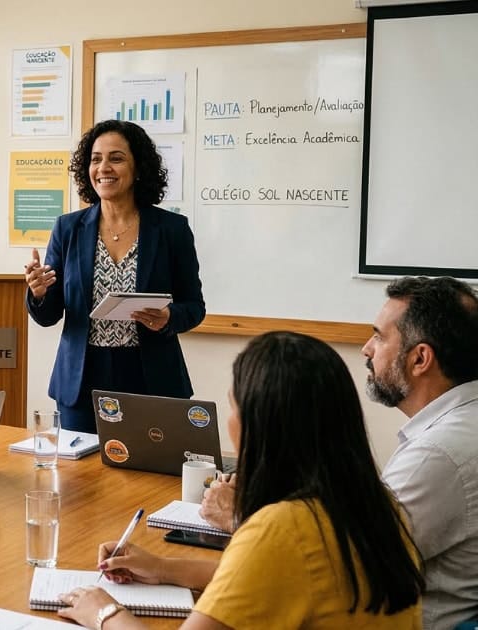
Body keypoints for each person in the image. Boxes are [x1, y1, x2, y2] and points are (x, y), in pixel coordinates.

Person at [56, 331, 424, 629]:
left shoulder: (281, 528)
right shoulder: (378, 505)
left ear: (259, 425)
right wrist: (162, 568)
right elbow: (266, 577)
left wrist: (103, 613)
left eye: (232, 406)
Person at [199, 276, 478, 629]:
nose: (366, 348)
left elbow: (334, 565)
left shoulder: (436, 456)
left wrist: (237, 517)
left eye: (379, 335)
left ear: (420, 358)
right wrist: (165, 568)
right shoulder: (462, 423)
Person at [24, 119, 205, 432]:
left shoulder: (171, 230)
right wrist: (39, 293)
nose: (103, 167)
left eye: (116, 158)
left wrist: (168, 317)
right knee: (79, 480)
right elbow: (49, 315)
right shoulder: (68, 229)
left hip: (151, 378)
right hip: (82, 380)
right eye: (96, 159)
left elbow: (194, 306)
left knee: (151, 478)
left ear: (138, 168)